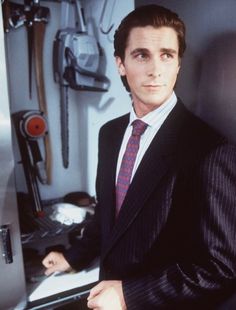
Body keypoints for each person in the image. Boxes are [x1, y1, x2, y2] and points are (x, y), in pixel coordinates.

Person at [42, 4, 236, 309]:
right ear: (120, 64)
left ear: (178, 65)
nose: (155, 69)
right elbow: (110, 213)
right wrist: (73, 256)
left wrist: (127, 294)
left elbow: (220, 267)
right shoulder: (110, 133)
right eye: (141, 55)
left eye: (167, 56)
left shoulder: (210, 150)